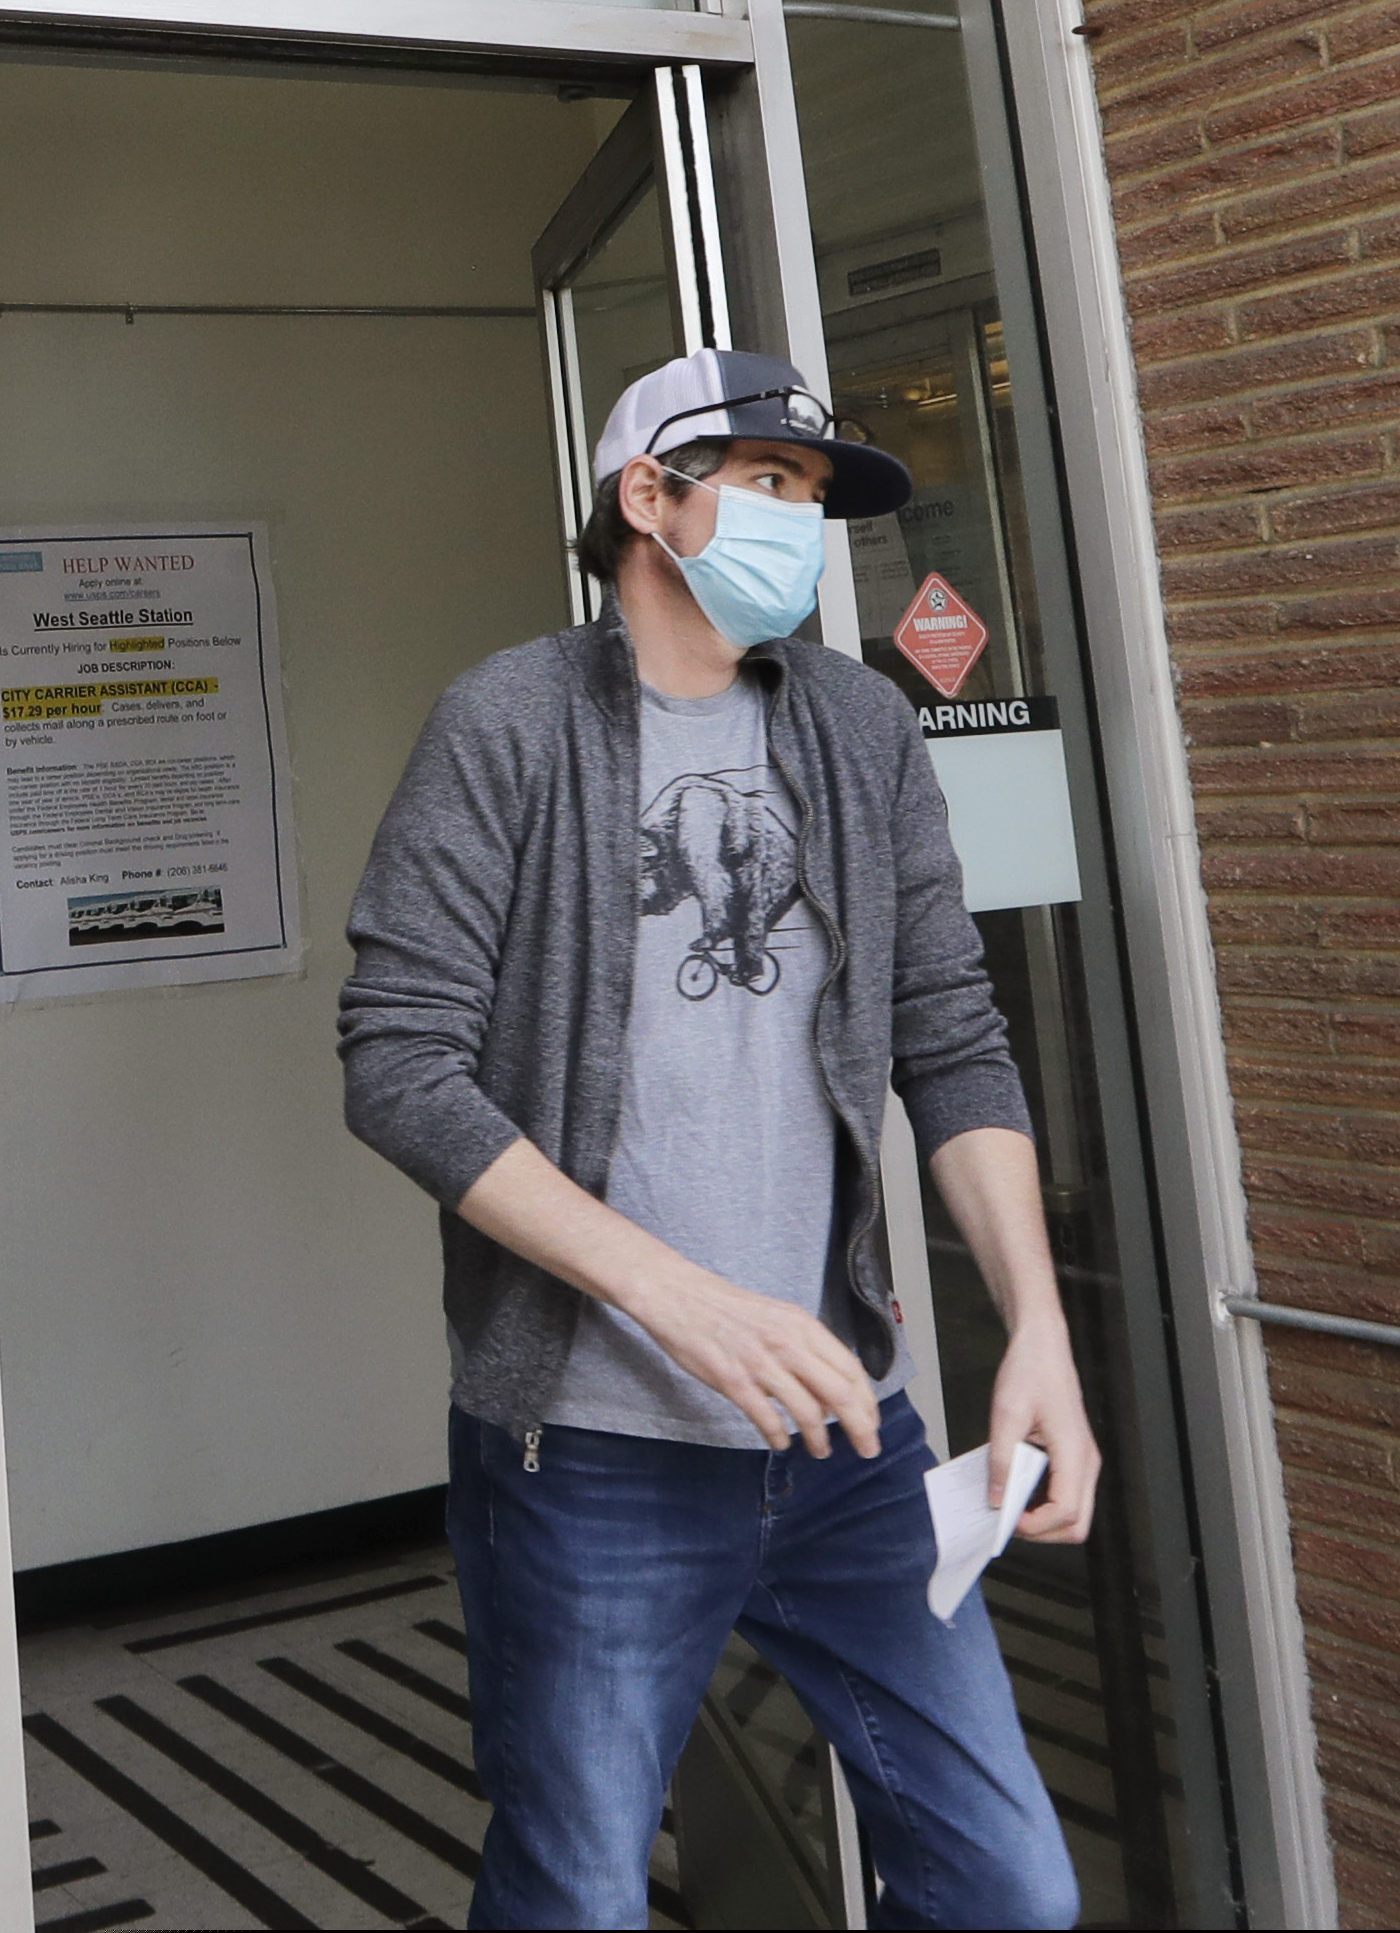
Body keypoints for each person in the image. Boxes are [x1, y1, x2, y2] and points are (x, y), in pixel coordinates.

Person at [339, 350, 1092, 1931]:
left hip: (847, 1439)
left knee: (1009, 1883)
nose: (799, 524)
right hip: (595, 1451)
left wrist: (1037, 1327)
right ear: (648, 499)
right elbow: (399, 1063)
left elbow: (950, 1036)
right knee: (579, 1896)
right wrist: (677, 1296)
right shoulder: (511, 722)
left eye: (814, 497)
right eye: (766, 484)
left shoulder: (862, 727)